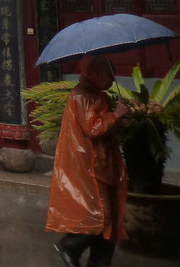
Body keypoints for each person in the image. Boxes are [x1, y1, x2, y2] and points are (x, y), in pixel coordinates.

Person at [46, 55, 129, 267]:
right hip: (89, 166)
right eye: (108, 73)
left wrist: (118, 121)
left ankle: (100, 261)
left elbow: (104, 129)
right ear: (96, 73)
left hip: (103, 163)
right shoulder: (80, 96)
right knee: (102, 216)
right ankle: (70, 246)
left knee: (110, 216)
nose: (112, 78)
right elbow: (93, 129)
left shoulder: (98, 95)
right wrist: (116, 116)